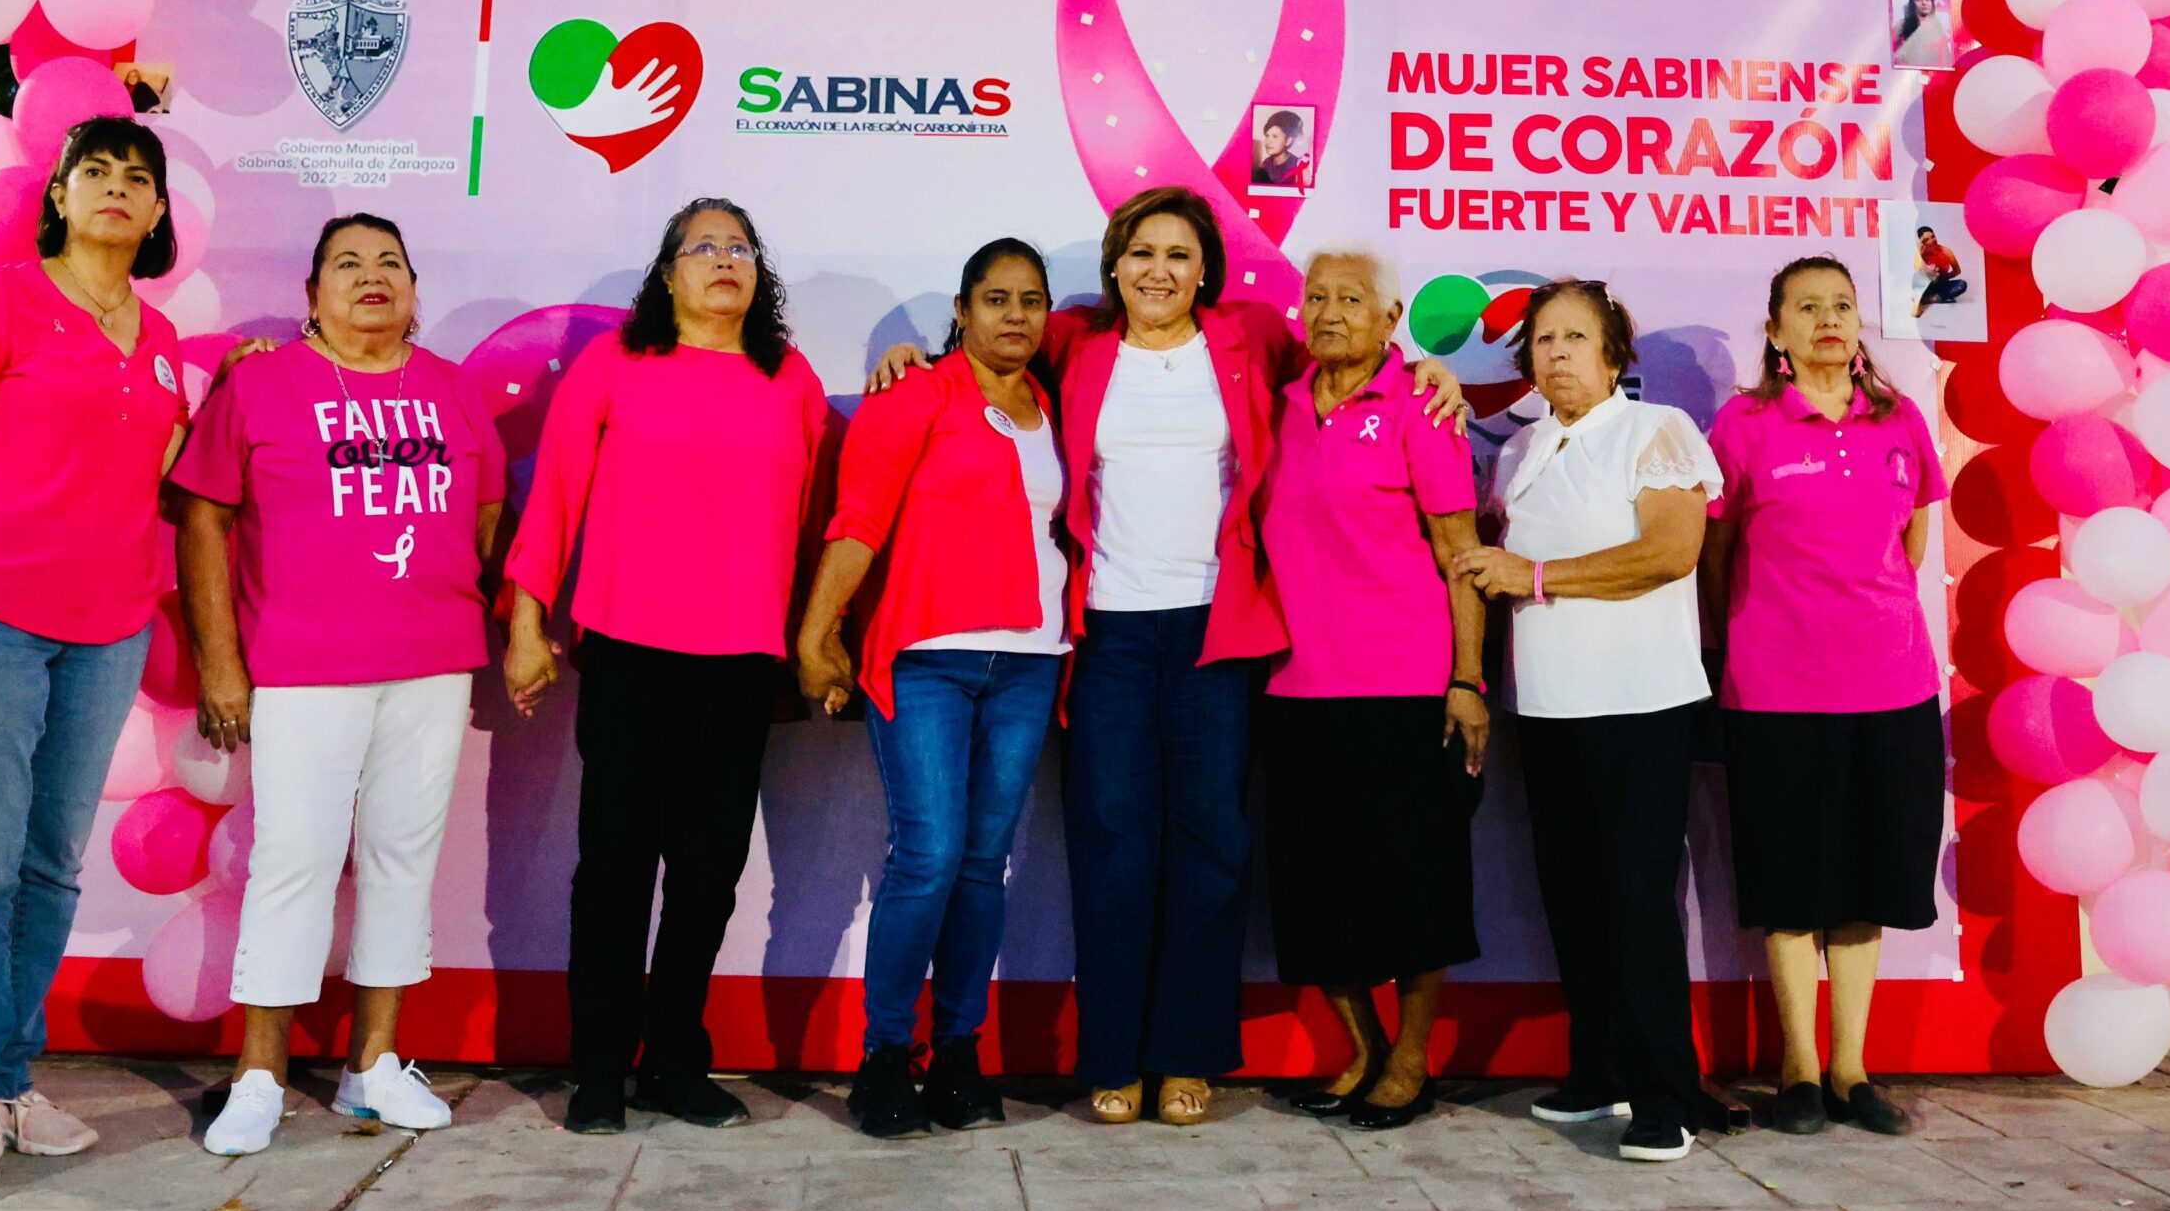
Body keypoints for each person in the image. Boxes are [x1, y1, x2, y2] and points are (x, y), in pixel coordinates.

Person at [869, 187, 1462, 1127]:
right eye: (1142, 251)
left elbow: (1357, 349)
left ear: (1205, 270)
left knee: (1210, 846)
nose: (1159, 270)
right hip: (1105, 631)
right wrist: (915, 358)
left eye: (1179, 255)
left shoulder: (1254, 334)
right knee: (1111, 845)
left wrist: (1434, 370)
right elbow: (992, 358)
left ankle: (1187, 1054)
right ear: (1114, 263)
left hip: (1216, 631)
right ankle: (1115, 1057)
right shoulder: (1075, 342)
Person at [0, 116, 187, 1191]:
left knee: (51, 865)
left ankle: (9, 1079)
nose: (113, 188)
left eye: (134, 177)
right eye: (92, 172)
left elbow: (156, 472)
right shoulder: (0, 299)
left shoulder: (161, 339)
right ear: (58, 197)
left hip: (105, 635)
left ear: (154, 213)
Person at [172, 215, 521, 1156]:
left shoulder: (451, 390)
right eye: (347, 264)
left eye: (390, 264)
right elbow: (202, 520)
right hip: (300, 664)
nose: (372, 278)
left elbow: (485, 510)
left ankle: (375, 1065)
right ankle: (258, 1074)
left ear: (415, 288)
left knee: (405, 857)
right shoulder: (262, 383)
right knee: (295, 856)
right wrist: (219, 660)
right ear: (312, 296)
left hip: (430, 664)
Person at [503, 198, 829, 1135]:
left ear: (757, 273)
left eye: (739, 246)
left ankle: (675, 1061)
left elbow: (813, 520)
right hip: (631, 651)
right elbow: (555, 496)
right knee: (614, 869)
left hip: (743, 660)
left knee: (707, 875)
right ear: (668, 273)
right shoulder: (616, 364)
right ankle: (600, 1068)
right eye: (703, 247)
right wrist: (528, 622)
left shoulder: (790, 379)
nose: (724, 259)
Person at [795, 239, 1071, 1140]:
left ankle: (958, 1051)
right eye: (997, 298)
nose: (1017, 315)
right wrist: (818, 629)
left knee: (984, 860)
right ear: (962, 309)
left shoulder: (1057, 406)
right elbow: (858, 519)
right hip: (927, 657)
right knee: (929, 852)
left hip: (1031, 660)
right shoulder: (913, 396)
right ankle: (884, 1057)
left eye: (1032, 299)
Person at [1450, 279, 1719, 1164]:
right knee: (1572, 892)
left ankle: (1667, 1096)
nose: (1557, 352)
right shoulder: (1520, 446)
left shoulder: (1657, 430)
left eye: (1576, 337)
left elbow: (1667, 551)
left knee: (1639, 899)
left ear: (1613, 355)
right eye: (1543, 339)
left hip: (1641, 703)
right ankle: (1599, 1072)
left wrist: (1531, 576)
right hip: (1552, 704)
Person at [1700, 256, 1948, 1139]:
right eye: (1806, 307)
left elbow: (1909, 543)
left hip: (1891, 689)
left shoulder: (1899, 420)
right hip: (1774, 692)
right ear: (1776, 330)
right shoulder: (1744, 425)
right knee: (1790, 884)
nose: (1828, 320)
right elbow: (1716, 558)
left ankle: (1851, 1070)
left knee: (1867, 881)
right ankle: (1797, 1070)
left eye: (1841, 305)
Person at [1256, 246, 1488, 1132]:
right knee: (1316, 890)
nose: (1328, 312)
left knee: (1414, 886)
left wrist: (1466, 678)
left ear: (1391, 321)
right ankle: (1361, 1050)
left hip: (1406, 685)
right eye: (1316, 297)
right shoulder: (1277, 403)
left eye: (1351, 298)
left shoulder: (1420, 406)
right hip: (1295, 685)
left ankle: (1410, 1057)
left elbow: (1459, 553)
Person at [1910, 228, 1967, 319]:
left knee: (1962, 284)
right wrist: (1920, 249)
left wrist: (1942, 277)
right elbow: (1916, 268)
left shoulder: (1946, 251)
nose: (1932, 240)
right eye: (1927, 239)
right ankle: (1927, 298)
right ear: (1922, 241)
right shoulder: (1922, 252)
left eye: (1933, 236)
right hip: (1927, 286)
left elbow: (1957, 270)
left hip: (1941, 284)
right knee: (1919, 277)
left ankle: (1930, 299)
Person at [1891, 0, 1948, 69]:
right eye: (1918, 0)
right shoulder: (1901, 25)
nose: (1924, 3)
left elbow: (1946, 61)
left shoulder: (1938, 31)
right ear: (1912, 4)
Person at [1253, 111, 1308, 190]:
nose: (1268, 141)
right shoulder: (1266, 163)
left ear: (1288, 140)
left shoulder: (1298, 166)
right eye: (1267, 136)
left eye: (1275, 136)